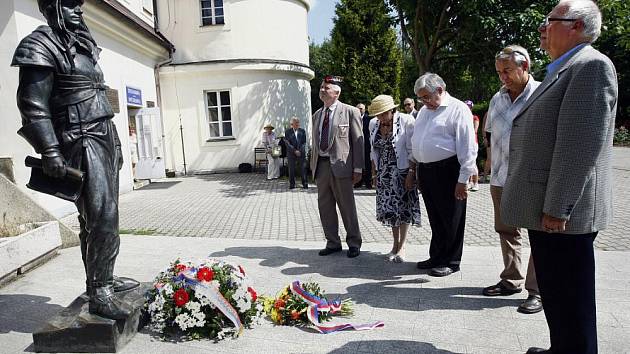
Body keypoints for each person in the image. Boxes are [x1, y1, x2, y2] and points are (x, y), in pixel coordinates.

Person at [501, 2, 618, 353]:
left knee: (571, 299)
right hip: (550, 209)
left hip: (563, 216)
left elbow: (580, 147)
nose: (542, 29)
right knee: (556, 293)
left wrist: (558, 208)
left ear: (577, 26)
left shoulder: (591, 66)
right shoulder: (566, 68)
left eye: (549, 22)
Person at [12, 0, 139, 320]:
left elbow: (98, 97)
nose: (79, 10)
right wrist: (50, 150)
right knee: (103, 217)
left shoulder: (83, 46)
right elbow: (33, 105)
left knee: (94, 219)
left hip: (103, 135)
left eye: (79, 4)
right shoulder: (39, 45)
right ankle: (100, 293)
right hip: (79, 140)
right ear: (52, 7)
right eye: (69, 4)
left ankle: (101, 281)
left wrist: (118, 143)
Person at [482, 45, 542, 315]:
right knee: (506, 231)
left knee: (539, 236)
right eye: (498, 72)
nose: (502, 77)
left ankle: (537, 290)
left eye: (507, 70)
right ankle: (511, 279)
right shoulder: (498, 98)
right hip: (501, 177)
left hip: (531, 180)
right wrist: (488, 162)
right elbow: (490, 134)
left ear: (524, 66)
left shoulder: (543, 93)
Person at [409, 73, 477, 277]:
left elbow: (468, 147)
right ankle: (437, 255)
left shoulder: (458, 109)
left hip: (449, 170)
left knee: (452, 217)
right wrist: (414, 169)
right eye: (421, 98)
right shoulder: (423, 111)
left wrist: (463, 180)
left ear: (440, 89)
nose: (424, 102)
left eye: (426, 97)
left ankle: (451, 260)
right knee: (435, 217)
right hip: (427, 170)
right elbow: (417, 139)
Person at [310, 75, 364, 258]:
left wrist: (358, 168)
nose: (322, 89)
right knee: (325, 207)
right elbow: (315, 144)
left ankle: (354, 243)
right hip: (322, 166)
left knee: (347, 207)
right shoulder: (317, 115)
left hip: (342, 166)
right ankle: (332, 242)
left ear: (337, 92)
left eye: (326, 87)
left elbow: (358, 142)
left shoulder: (350, 112)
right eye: (322, 87)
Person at [368, 95, 421, 263]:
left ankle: (402, 246)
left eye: (383, 113)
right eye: (377, 114)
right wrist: (375, 174)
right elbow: (373, 151)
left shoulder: (406, 121)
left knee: (403, 209)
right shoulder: (373, 124)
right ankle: (395, 244)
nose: (380, 117)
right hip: (384, 173)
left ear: (392, 109)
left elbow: (413, 149)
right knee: (390, 210)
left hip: (402, 171)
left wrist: (411, 173)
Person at [284, 117, 308, 189]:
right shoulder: (287, 132)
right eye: (296, 122)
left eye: (298, 122)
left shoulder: (302, 131)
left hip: (301, 153)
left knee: (303, 168)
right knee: (291, 169)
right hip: (291, 153)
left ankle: (305, 183)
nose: (298, 124)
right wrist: (294, 151)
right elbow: (287, 143)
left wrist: (299, 151)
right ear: (292, 124)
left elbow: (304, 142)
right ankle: (292, 184)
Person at [354, 103, 373, 189]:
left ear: (364, 110)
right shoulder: (353, 119)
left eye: (361, 108)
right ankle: (358, 182)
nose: (359, 110)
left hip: (367, 145)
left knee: (368, 164)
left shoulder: (369, 119)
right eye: (358, 109)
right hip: (357, 145)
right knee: (358, 163)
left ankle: (368, 182)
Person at [464, 100, 480, 191]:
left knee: (473, 162)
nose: (467, 107)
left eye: (469, 106)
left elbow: (475, 131)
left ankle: (476, 183)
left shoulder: (474, 118)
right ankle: (470, 182)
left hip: (473, 143)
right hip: (465, 143)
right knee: (467, 162)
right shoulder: (463, 117)